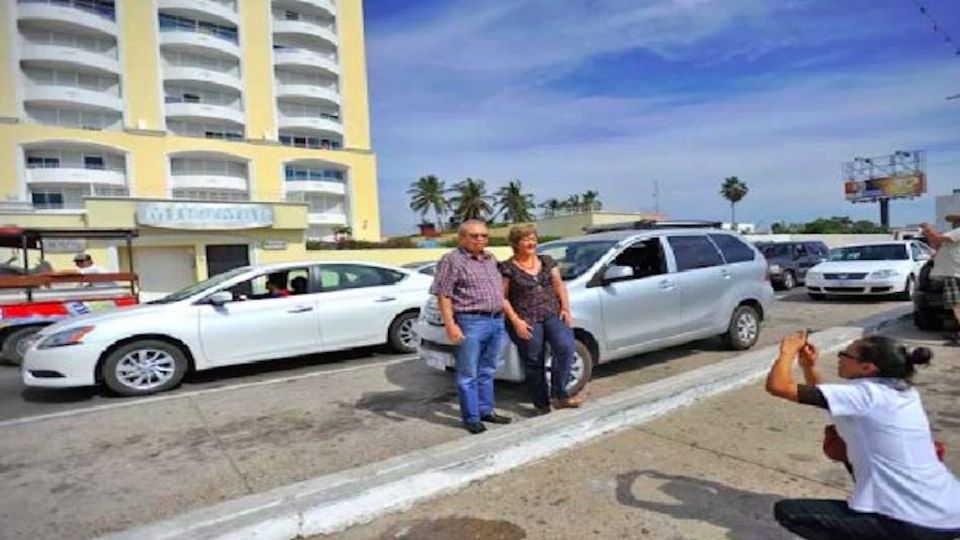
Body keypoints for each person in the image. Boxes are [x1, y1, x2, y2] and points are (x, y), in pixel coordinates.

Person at [766, 332, 960, 539]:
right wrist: (808, 366)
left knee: (790, 513)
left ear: (867, 368)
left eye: (845, 355)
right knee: (846, 449)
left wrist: (787, 352)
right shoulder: (902, 391)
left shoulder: (866, 395)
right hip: (950, 511)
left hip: (915, 522)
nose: (839, 358)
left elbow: (778, 386)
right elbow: (829, 399)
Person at [430, 219, 511, 434]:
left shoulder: (490, 259)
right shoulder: (452, 260)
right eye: (474, 235)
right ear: (462, 237)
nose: (480, 239)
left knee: (488, 369)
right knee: (468, 374)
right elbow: (443, 294)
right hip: (471, 322)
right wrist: (451, 325)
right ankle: (471, 417)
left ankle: (486, 410)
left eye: (484, 235)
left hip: (496, 320)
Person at [500, 224, 583, 415]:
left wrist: (565, 308)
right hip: (525, 319)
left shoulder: (546, 261)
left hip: (552, 313)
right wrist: (515, 321)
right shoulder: (507, 267)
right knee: (534, 360)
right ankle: (541, 404)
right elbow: (502, 297)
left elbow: (559, 285)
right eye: (525, 239)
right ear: (515, 243)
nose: (531, 242)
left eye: (533, 238)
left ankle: (560, 394)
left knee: (565, 347)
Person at [921, 215, 960, 346]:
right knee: (956, 307)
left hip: (955, 272)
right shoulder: (953, 235)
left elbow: (937, 239)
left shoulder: (958, 231)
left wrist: (928, 229)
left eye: (955, 221)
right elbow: (936, 243)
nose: (953, 223)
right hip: (952, 272)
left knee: (957, 306)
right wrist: (929, 233)